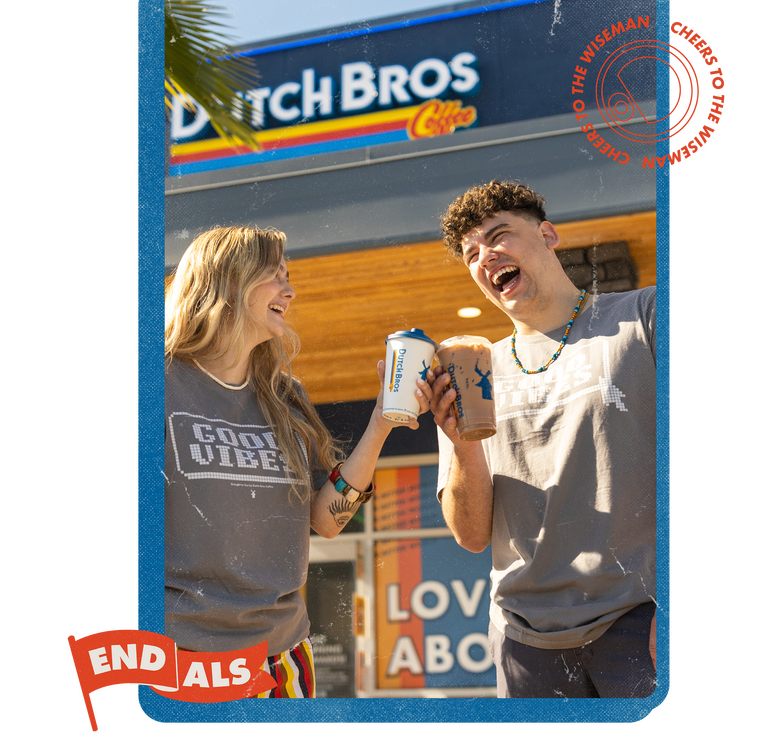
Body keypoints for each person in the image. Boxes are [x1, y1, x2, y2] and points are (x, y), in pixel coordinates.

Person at [164, 226, 426, 698]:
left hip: (282, 661)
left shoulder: (286, 397)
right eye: (274, 276)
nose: (291, 290)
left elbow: (326, 521)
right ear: (227, 281)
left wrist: (381, 423)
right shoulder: (158, 384)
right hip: (179, 661)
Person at [426, 180, 657, 698]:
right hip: (523, 643)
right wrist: (462, 441)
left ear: (548, 235)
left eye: (499, 235)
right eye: (471, 254)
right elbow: (471, 535)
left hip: (640, 621)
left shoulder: (644, 317)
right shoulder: (473, 373)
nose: (485, 257)